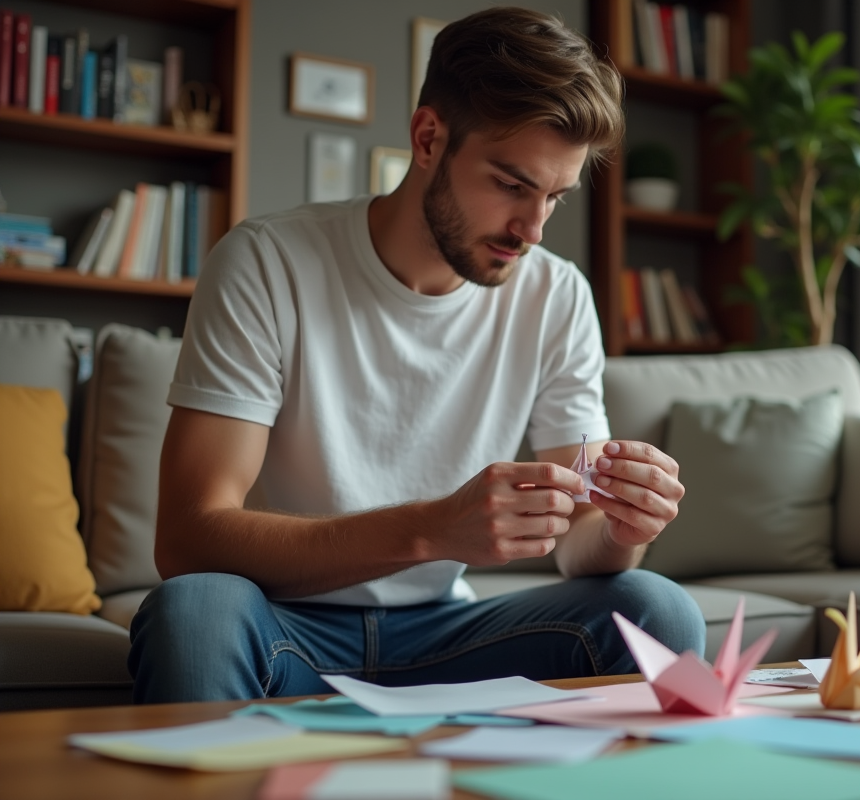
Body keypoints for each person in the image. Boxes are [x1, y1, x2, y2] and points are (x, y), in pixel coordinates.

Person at [128, 7, 706, 704]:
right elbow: (188, 538)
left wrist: (622, 529)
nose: (532, 229)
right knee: (194, 612)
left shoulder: (557, 295)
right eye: (512, 185)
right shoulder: (267, 262)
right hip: (285, 625)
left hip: (450, 634)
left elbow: (581, 542)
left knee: (655, 608)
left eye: (555, 196)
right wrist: (431, 530)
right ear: (428, 137)